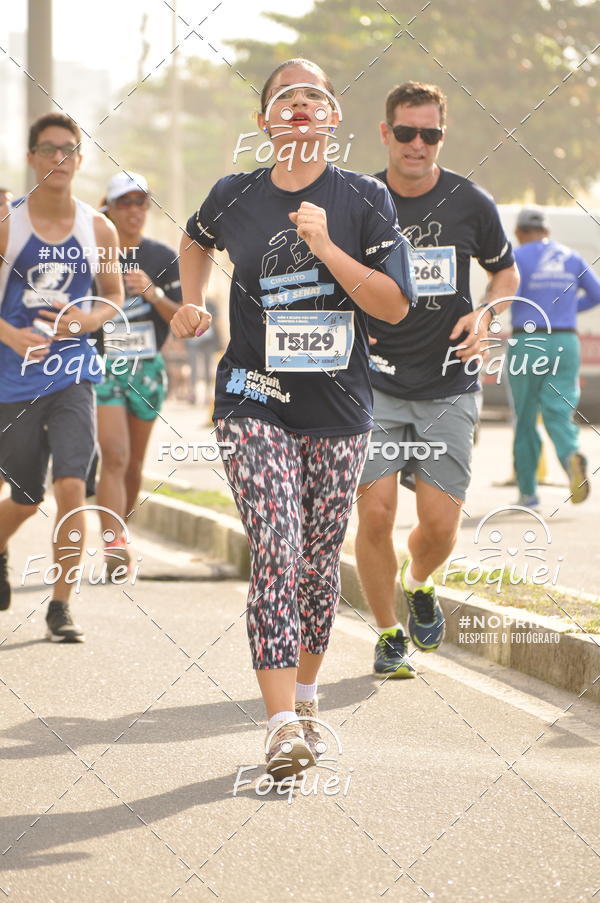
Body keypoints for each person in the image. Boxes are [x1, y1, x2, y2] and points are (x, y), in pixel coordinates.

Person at [171, 58, 417, 778]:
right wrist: (190, 300)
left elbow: (393, 305)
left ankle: (305, 697)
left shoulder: (364, 199)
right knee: (276, 547)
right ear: (266, 122)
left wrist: (325, 247)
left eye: (314, 97)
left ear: (332, 120)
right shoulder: (234, 194)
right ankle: (279, 723)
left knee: (315, 561)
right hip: (253, 397)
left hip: (338, 408)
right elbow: (194, 238)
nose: (301, 105)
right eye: (286, 98)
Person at [355, 81, 519, 679]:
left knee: (441, 524)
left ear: (442, 137)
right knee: (374, 516)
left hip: (450, 383)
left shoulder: (471, 202)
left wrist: (488, 314)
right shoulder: (361, 200)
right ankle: (388, 632)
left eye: (430, 134)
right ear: (386, 133)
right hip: (372, 382)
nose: (417, 144)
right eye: (406, 132)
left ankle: (418, 580)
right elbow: (326, 272)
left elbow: (504, 272)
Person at [0, 113, 123, 637]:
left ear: (80, 158)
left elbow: (114, 297)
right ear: (31, 157)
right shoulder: (9, 222)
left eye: (69, 150)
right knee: (27, 497)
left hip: (73, 372)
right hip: (13, 380)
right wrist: (11, 335)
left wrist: (86, 319)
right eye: (49, 149)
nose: (59, 159)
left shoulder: (98, 228)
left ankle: (59, 605)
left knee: (73, 484)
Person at [94, 172, 182, 572]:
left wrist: (153, 293)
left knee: (132, 465)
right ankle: (113, 545)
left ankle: (119, 530)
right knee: (113, 455)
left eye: (141, 202)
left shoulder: (162, 257)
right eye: (124, 202)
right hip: (102, 365)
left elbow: (187, 320)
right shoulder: (89, 251)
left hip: (146, 369)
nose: (133, 210)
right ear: (107, 207)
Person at [508, 206, 600, 508]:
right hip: (564, 339)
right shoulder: (571, 257)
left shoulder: (517, 257)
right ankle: (570, 454)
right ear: (546, 230)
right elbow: (597, 294)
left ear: (521, 232)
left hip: (528, 340)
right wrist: (569, 309)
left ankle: (528, 493)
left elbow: (503, 294)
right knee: (558, 410)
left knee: (525, 418)